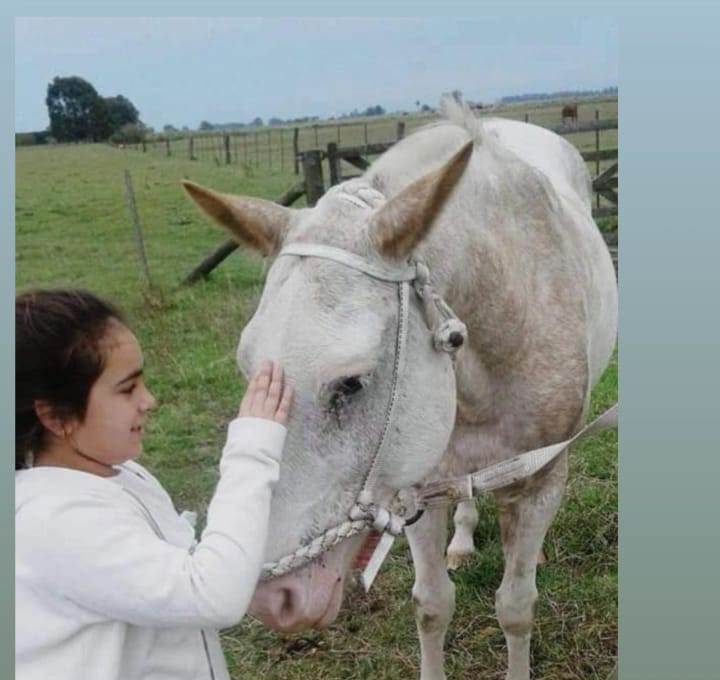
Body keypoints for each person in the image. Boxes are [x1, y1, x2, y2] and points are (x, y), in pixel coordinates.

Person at [15, 288, 293, 680]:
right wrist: (252, 451)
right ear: (56, 416)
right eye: (127, 389)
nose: (149, 400)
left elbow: (178, 574)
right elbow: (210, 595)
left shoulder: (119, 473)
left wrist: (245, 572)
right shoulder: (54, 519)